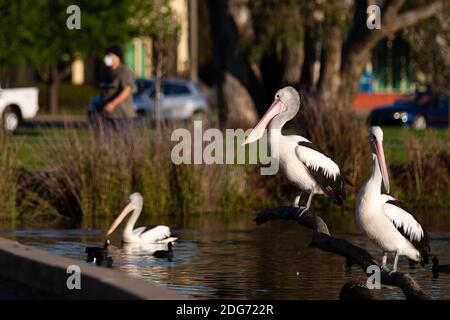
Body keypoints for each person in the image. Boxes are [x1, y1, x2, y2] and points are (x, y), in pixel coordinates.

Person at [97, 45, 136, 131]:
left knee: (126, 141)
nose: (107, 58)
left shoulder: (124, 70)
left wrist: (113, 103)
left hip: (122, 115)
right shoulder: (105, 71)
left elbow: (127, 90)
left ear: (117, 57)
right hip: (106, 114)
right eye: (107, 55)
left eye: (110, 55)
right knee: (103, 141)